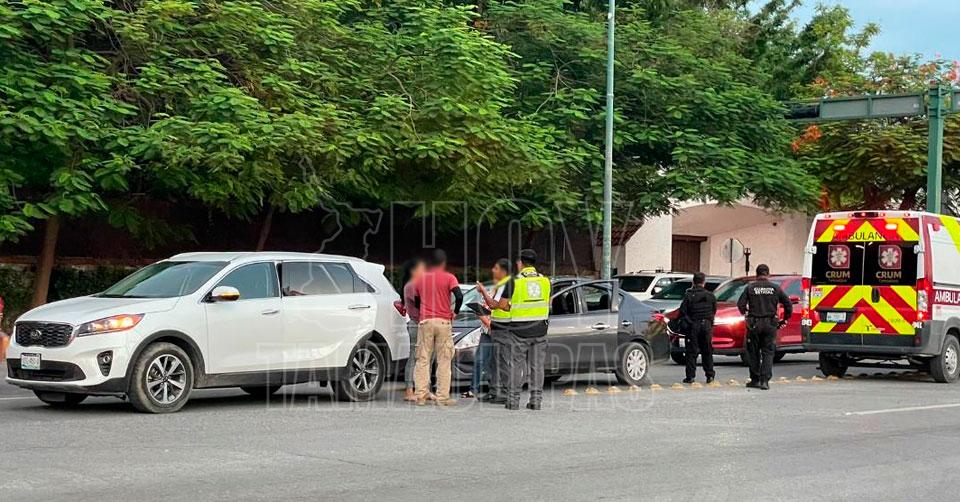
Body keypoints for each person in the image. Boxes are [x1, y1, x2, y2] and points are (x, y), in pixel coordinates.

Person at [478, 249, 550, 411]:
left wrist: (512, 306)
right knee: (537, 366)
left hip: (520, 330)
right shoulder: (545, 281)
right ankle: (536, 401)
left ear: (520, 263)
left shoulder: (515, 281)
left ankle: (513, 401)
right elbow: (546, 302)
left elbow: (503, 305)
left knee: (516, 365)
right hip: (540, 329)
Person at [413, 249, 463, 406]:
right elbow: (459, 296)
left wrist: (423, 310)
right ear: (443, 263)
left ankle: (421, 396)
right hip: (443, 321)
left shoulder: (420, 279)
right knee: (444, 360)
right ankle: (442, 397)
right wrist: (455, 311)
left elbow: (416, 300)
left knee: (422, 359)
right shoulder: (449, 277)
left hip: (425, 322)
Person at [737, 264, 793, 390]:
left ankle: (755, 379)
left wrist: (746, 314)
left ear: (757, 274)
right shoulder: (775, 288)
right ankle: (765, 381)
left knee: (753, 352)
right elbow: (788, 304)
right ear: (768, 274)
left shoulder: (750, 287)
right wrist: (785, 318)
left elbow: (741, 304)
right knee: (768, 352)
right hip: (770, 323)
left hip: (754, 323)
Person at [463, 258, 512, 401]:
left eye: (496, 268)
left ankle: (504, 391)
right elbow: (485, 307)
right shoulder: (495, 288)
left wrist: (483, 291)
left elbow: (497, 306)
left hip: (501, 329)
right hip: (488, 331)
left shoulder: (509, 287)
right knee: (483, 360)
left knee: (500, 362)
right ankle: (485, 390)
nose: (493, 271)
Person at [678, 272, 717, 384]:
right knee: (707, 351)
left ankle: (690, 377)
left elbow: (683, 311)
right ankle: (710, 375)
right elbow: (714, 310)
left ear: (693, 282)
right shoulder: (710, 295)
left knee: (691, 352)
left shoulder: (689, 295)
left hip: (693, 325)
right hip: (707, 325)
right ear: (704, 282)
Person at [400, 258, 428, 402]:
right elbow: (420, 304)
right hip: (417, 324)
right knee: (414, 357)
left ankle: (423, 389)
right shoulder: (412, 285)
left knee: (424, 358)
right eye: (421, 268)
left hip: (422, 323)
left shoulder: (415, 285)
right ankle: (409, 390)